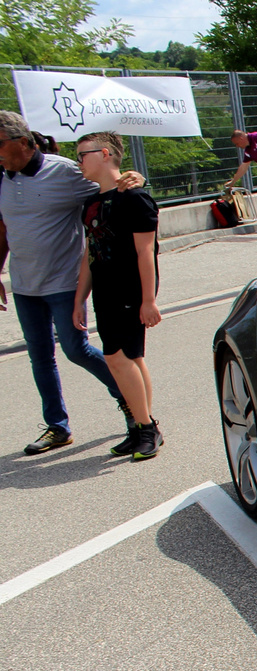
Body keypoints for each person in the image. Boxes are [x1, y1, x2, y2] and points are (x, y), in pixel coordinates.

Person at [0, 110, 144, 455]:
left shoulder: (64, 172)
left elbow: (110, 183)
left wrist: (133, 178)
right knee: (39, 357)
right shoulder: (1, 177)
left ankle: (133, 404)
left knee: (75, 349)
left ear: (22, 143)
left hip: (64, 280)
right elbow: (2, 229)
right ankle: (57, 427)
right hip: (24, 284)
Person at [71, 132, 161, 460]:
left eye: (83, 155)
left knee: (117, 358)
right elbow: (90, 253)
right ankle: (141, 427)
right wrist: (80, 297)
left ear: (105, 154)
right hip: (105, 291)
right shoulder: (92, 202)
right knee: (131, 358)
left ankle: (146, 428)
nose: (78, 161)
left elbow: (146, 250)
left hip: (129, 289)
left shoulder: (134, 198)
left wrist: (148, 299)